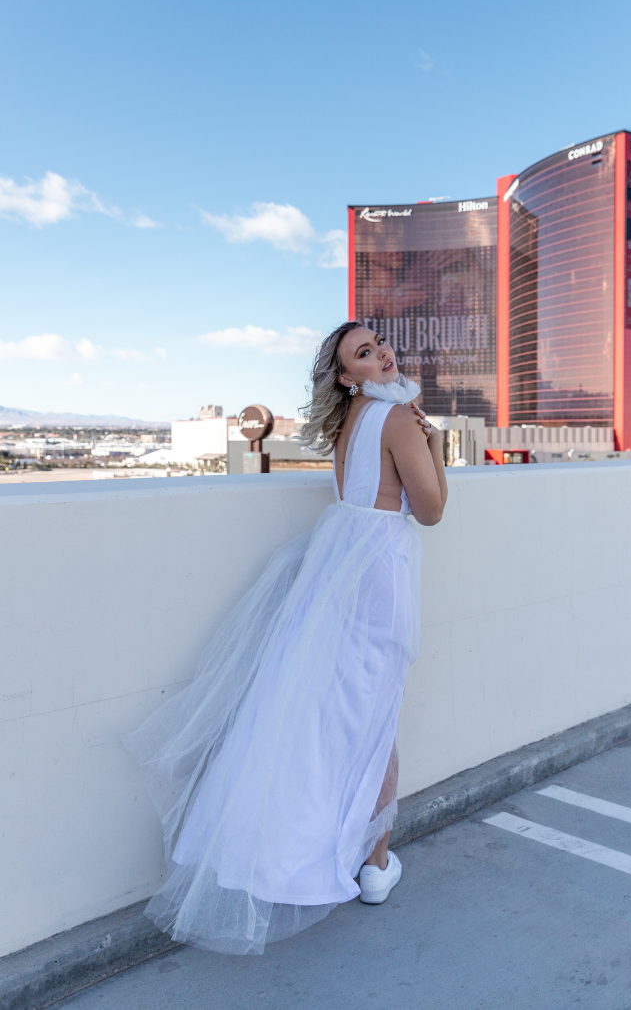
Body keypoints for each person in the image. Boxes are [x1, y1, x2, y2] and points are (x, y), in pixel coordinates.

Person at [123, 321, 447, 955]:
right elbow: (430, 510)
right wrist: (437, 448)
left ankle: (308, 846)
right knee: (373, 718)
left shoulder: (350, 422)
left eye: (378, 342)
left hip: (338, 566)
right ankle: (374, 864)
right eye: (364, 353)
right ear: (348, 376)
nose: (381, 353)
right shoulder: (402, 418)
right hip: (377, 571)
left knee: (321, 714)